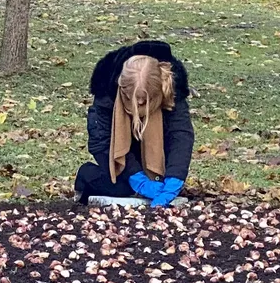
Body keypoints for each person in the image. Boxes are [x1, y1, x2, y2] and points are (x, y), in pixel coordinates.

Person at [76, 40, 194, 206]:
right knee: (120, 188)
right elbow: (101, 141)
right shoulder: (106, 92)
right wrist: (135, 176)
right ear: (122, 88)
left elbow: (180, 134)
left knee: (166, 185)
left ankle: (160, 181)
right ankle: (85, 177)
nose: (139, 104)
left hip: (157, 157)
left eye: (146, 100)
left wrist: (175, 177)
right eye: (134, 99)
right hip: (121, 157)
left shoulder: (171, 89)